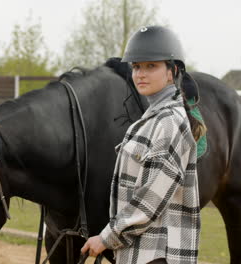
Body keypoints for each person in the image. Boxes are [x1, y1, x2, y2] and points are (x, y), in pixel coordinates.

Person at [81, 26, 205, 264]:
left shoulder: (169, 122)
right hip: (140, 254)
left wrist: (106, 237)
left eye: (151, 66)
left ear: (172, 71)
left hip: (158, 255)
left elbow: (149, 200)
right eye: (137, 67)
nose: (140, 74)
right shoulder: (150, 120)